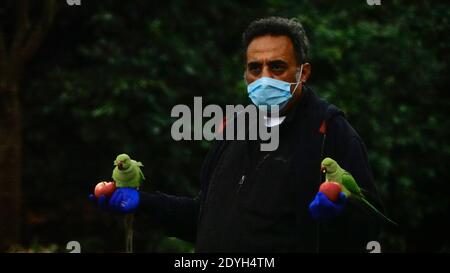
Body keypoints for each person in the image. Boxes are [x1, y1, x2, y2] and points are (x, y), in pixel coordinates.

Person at [90, 17, 384, 252]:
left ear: (303, 73)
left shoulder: (329, 132)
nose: (264, 77)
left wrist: (340, 215)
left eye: (277, 66)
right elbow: (205, 219)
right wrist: (146, 203)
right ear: (245, 74)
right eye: (255, 68)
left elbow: (369, 228)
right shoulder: (235, 131)